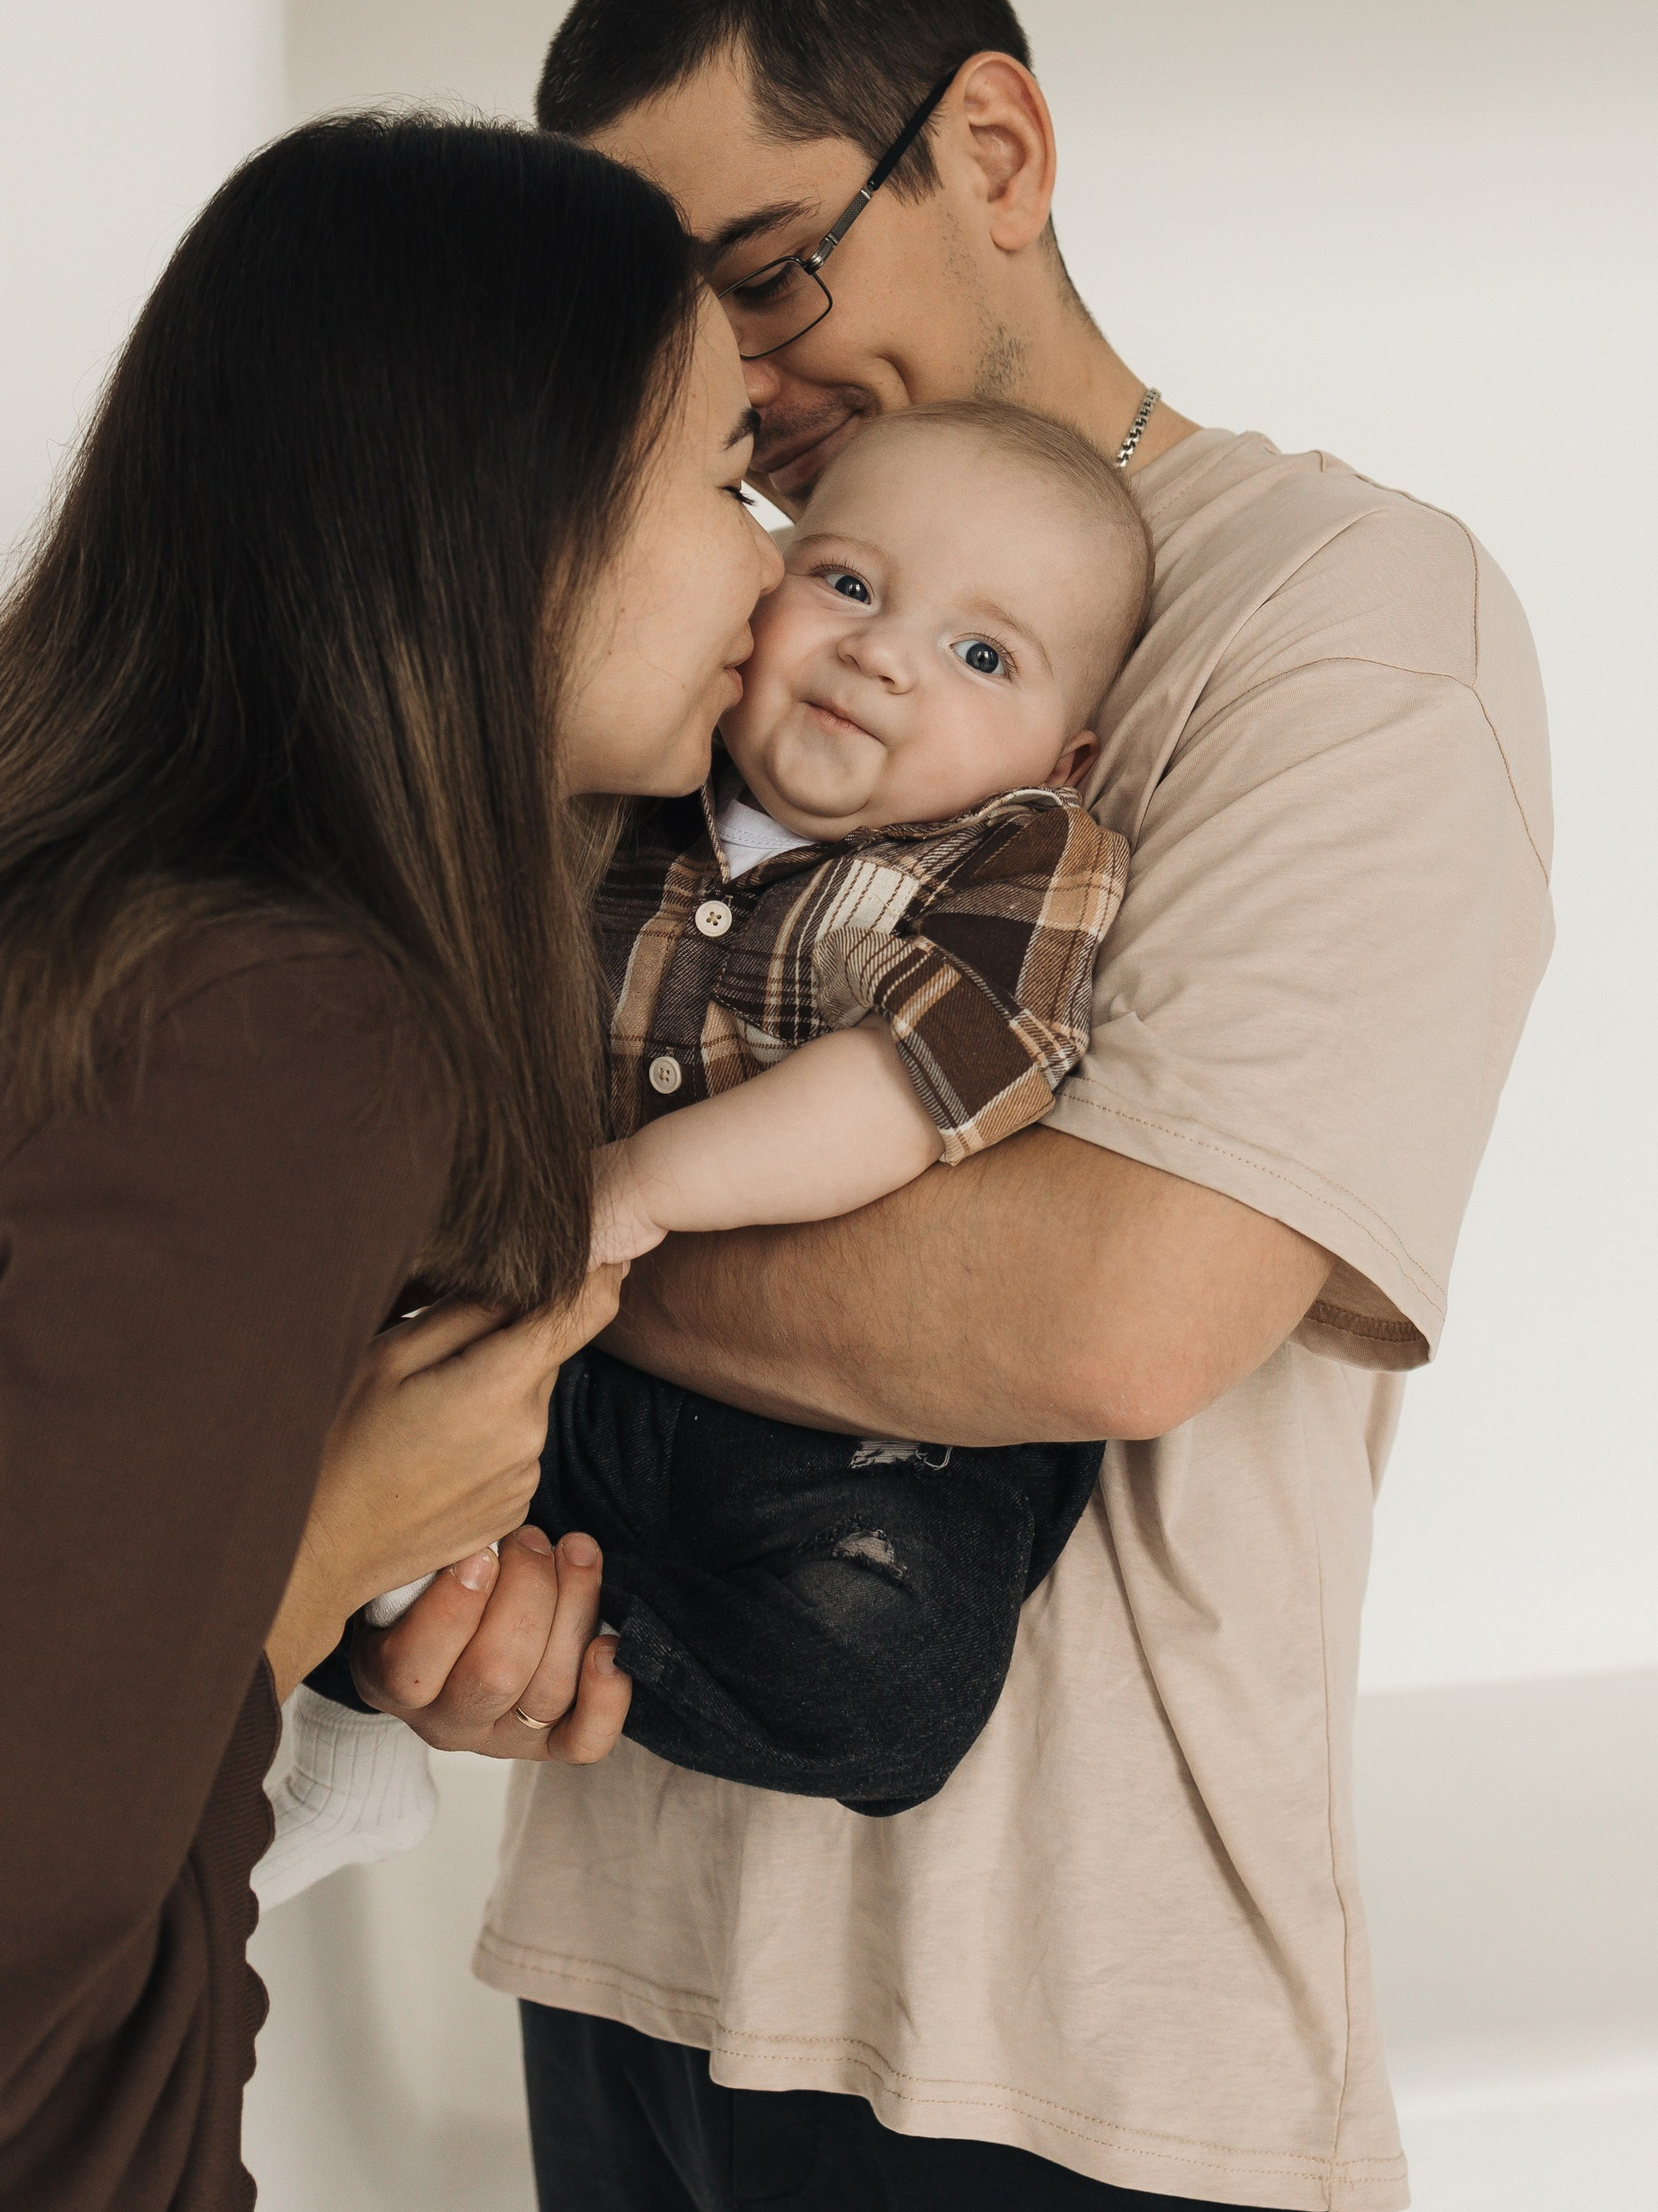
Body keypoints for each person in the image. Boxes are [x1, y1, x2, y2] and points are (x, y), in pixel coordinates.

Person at [362, 0, 1555, 2212]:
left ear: (992, 143)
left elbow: (1128, 1305)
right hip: (631, 1963)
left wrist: (544, 1243)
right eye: (672, 326)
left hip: (1080, 2067)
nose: (739, 379)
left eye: (763, 272)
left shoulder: (1339, 619)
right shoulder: (722, 618)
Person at [0, 113, 779, 2212]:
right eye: (722, 474)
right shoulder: (282, 1033)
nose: (775, 560)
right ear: (505, 516)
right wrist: (307, 1567)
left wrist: (305, 1627)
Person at [296, 398, 1145, 1842]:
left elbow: (904, 1085)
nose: (881, 654)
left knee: (883, 1670)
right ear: (763, 579)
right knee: (306, 1426)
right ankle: (375, 1686)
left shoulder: (1017, 855)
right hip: (568, 1361)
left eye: (981, 654)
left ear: (1060, 756)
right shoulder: (641, 785)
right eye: (850, 585)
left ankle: (545, 1623)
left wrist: (628, 1191)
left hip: (848, 1438)